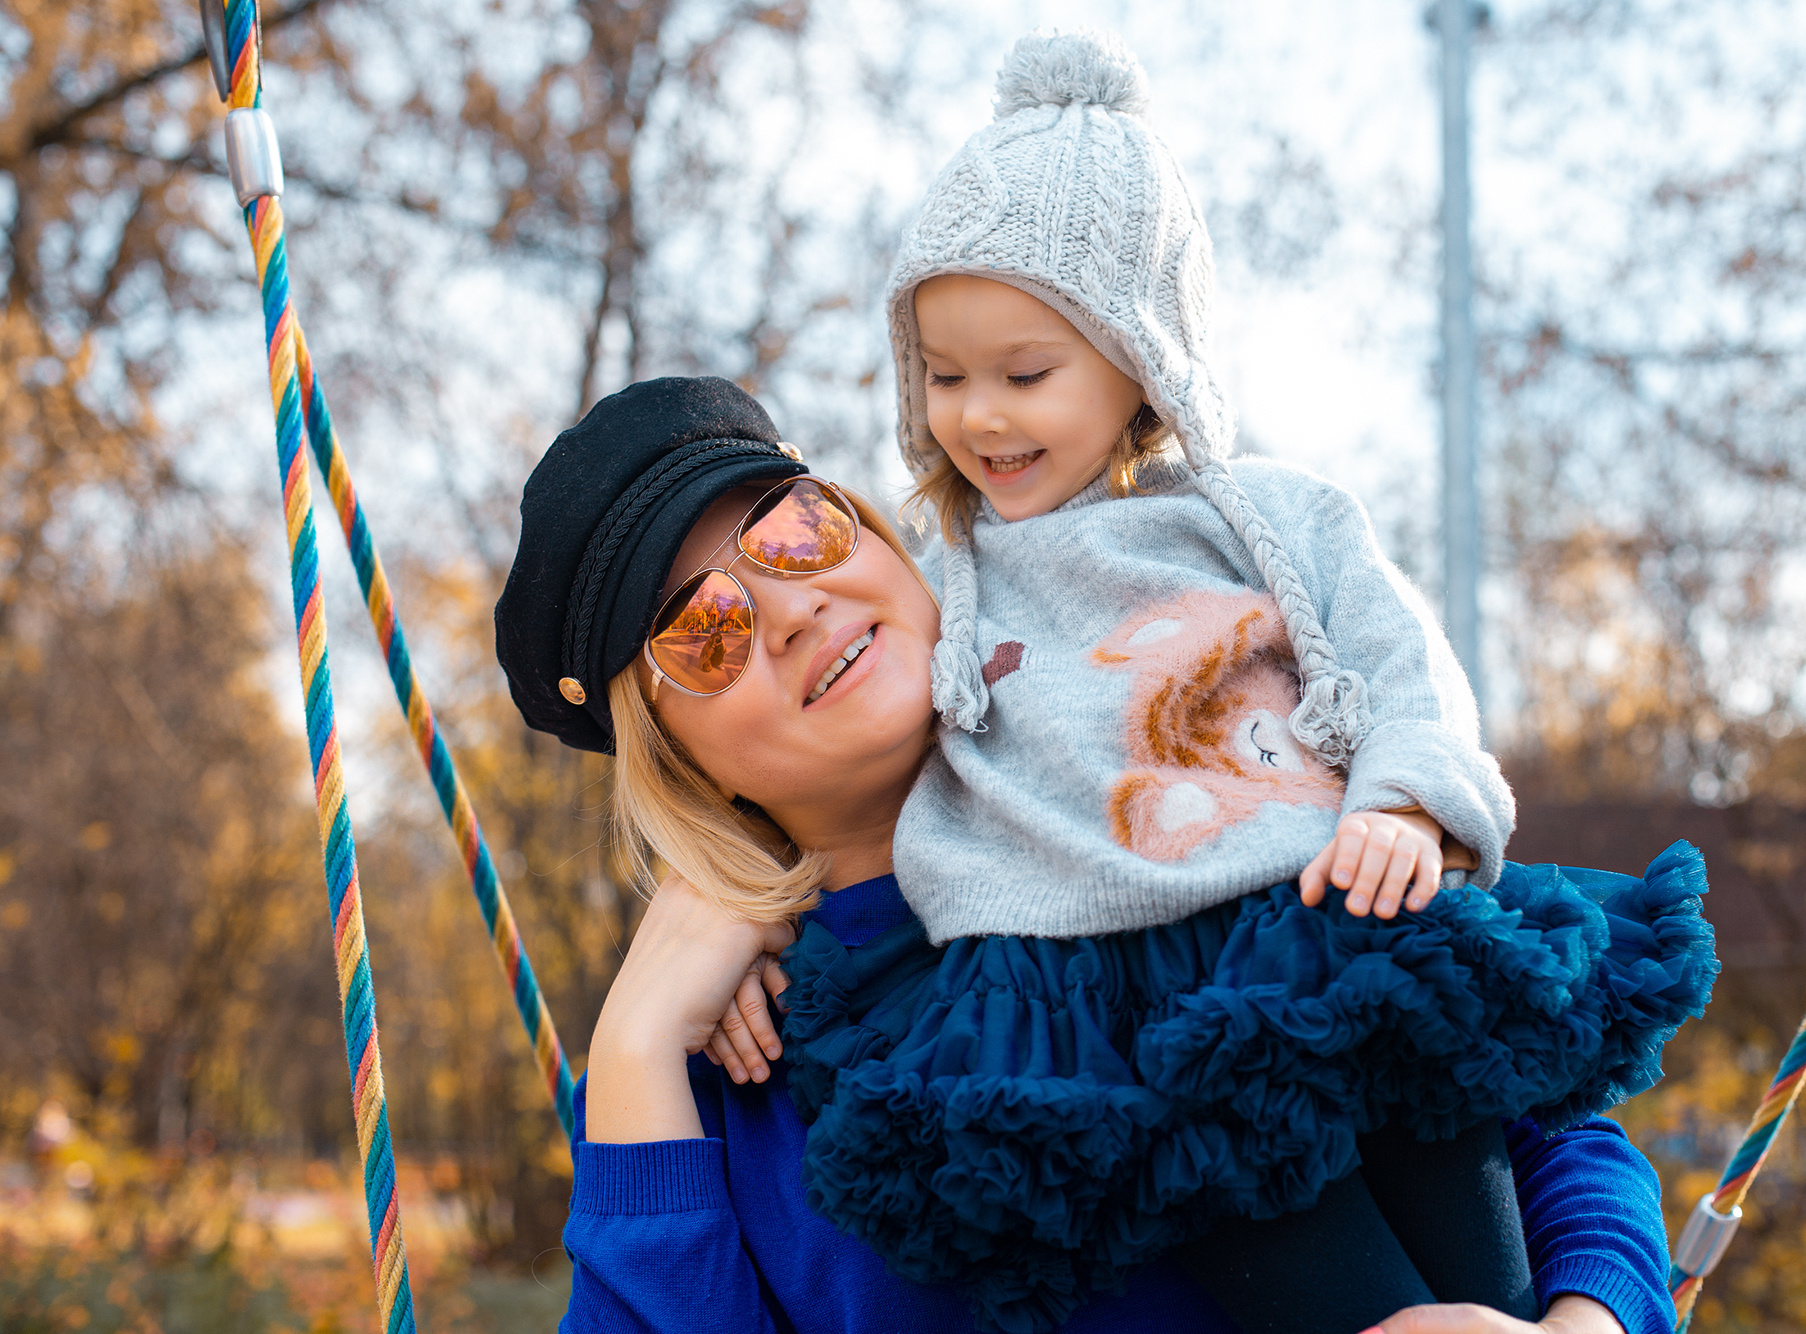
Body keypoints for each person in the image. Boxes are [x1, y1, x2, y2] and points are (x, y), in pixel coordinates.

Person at [769, 30, 1718, 1334]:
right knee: (1264, 1217)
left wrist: (1403, 806)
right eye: (944, 376)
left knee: (1469, 1209)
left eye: (1024, 372)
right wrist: (736, 925)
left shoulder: (1266, 516)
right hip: (1106, 985)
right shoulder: (948, 569)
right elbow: (831, 721)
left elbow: (1398, 666)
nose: (979, 415)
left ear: (1139, 353)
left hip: (1323, 913)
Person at [494, 376, 1683, 1334]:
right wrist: (638, 1044)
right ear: (679, 758)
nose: (790, 606)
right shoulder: (721, 1079)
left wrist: (1584, 1317)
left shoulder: (1188, 791)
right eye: (703, 629)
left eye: (795, 529)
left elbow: (1527, 1115)